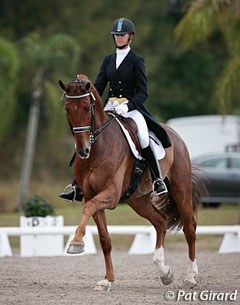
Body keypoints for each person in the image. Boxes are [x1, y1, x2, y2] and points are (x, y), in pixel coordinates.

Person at [60, 17, 171, 202]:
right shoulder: (108, 60)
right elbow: (99, 86)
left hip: (131, 108)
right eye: (116, 35)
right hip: (110, 106)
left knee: (143, 136)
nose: (119, 38)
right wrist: (83, 91)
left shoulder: (137, 60)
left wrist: (127, 105)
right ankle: (77, 186)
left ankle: (158, 180)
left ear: (130, 37)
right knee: (87, 134)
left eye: (122, 35)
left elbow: (143, 92)